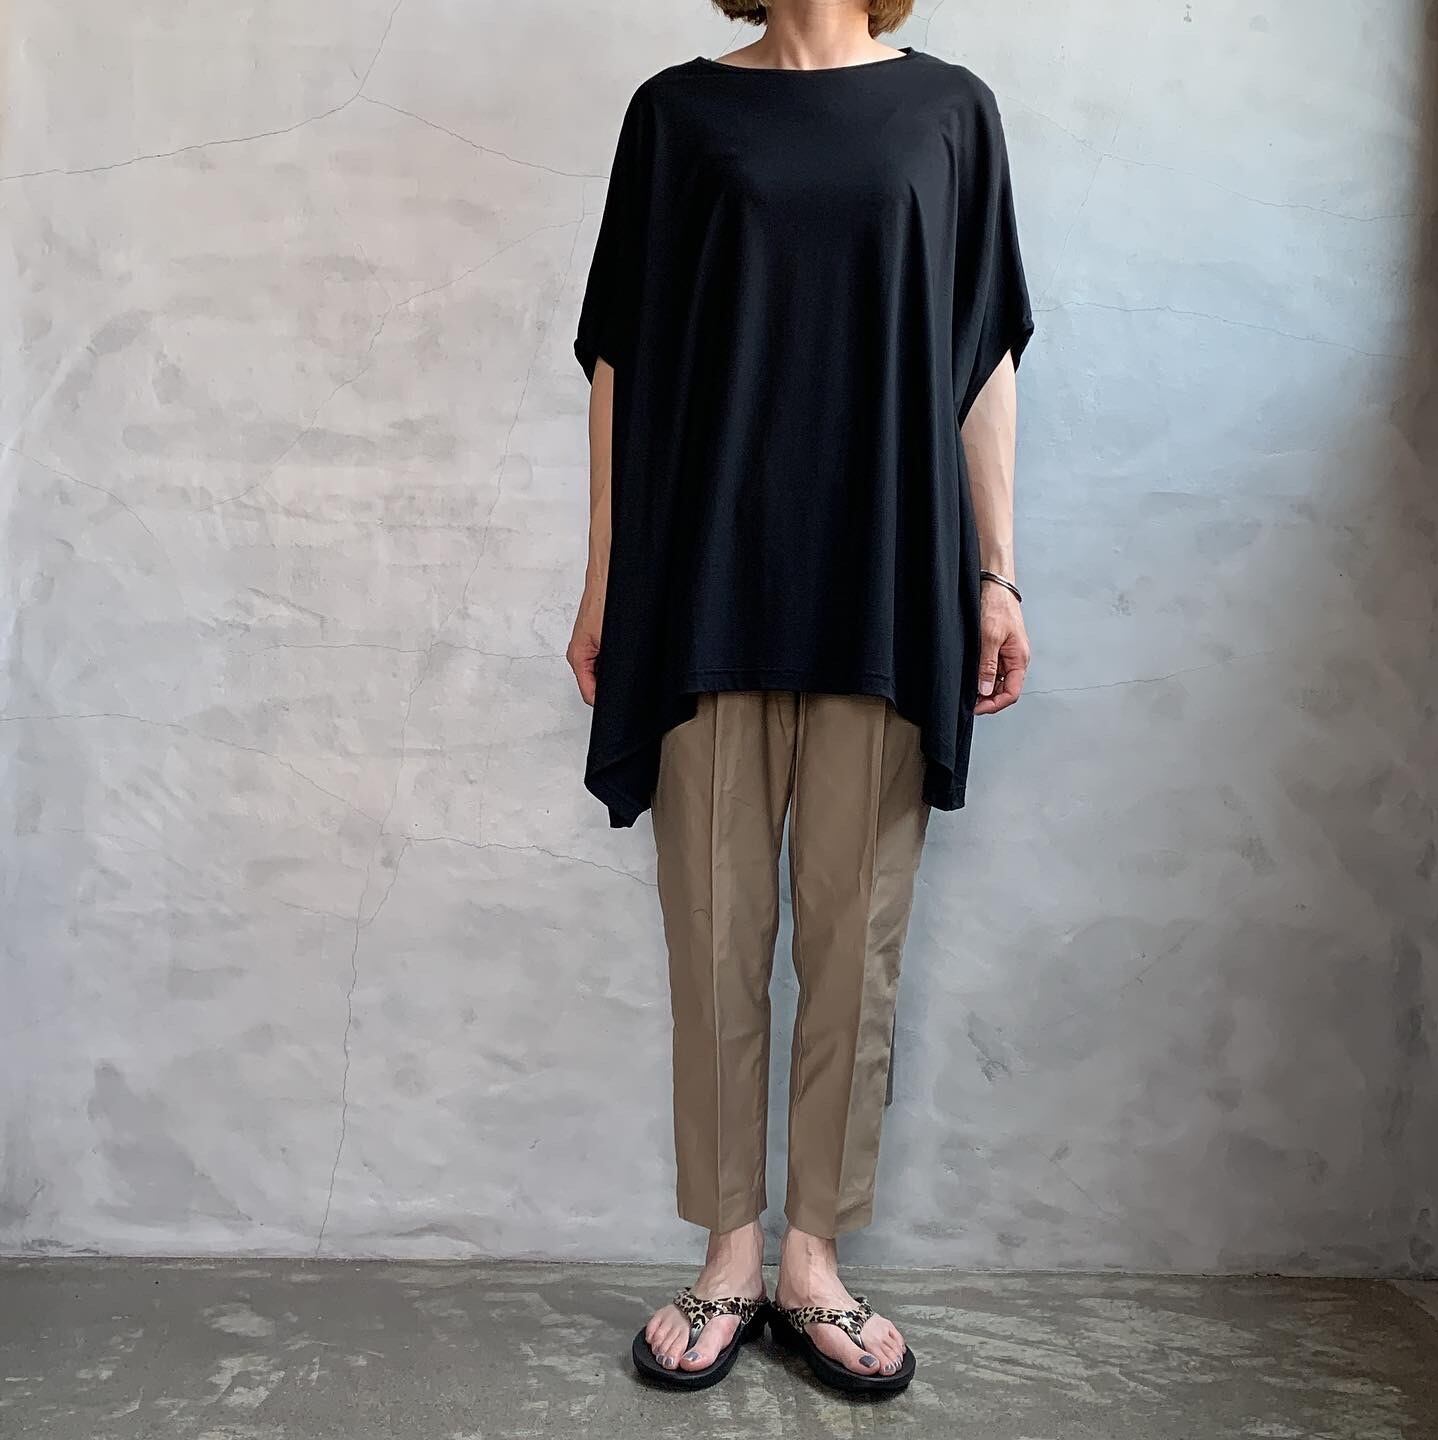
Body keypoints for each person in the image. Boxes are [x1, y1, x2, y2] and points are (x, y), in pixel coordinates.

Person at [566, 0, 1033, 1398]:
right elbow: (619, 359)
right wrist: (603, 580)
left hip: (884, 576)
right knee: (714, 934)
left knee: (854, 938)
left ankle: (813, 1260)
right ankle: (728, 1253)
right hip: (705, 576)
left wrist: (998, 574)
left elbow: (982, 358)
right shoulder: (676, 114)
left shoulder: (950, 114)